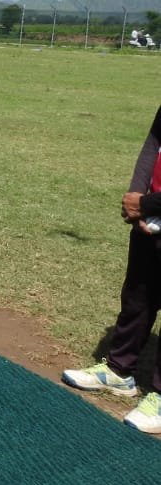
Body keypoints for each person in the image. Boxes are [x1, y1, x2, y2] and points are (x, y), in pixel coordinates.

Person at [61, 105, 161, 435]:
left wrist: (146, 206)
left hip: (154, 208)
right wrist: (138, 199)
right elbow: (153, 141)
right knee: (138, 295)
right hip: (151, 216)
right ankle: (120, 370)